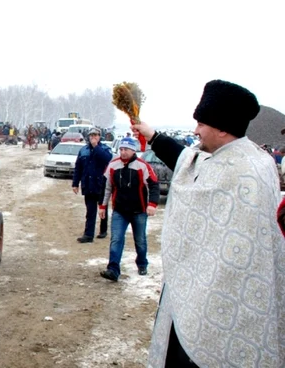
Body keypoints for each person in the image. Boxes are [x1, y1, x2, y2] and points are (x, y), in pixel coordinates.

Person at [132, 80, 284, 367]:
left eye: (201, 123)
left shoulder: (243, 171)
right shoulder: (248, 159)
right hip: (201, 289)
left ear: (222, 128)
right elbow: (186, 159)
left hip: (223, 298)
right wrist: (151, 135)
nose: (195, 131)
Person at [97, 137, 159, 281]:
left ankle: (142, 263)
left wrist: (152, 204)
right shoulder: (113, 165)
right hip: (120, 210)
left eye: (126, 150)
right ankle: (113, 269)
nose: (123, 152)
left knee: (140, 240)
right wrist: (102, 206)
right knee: (116, 239)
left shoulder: (142, 166)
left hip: (139, 211)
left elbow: (154, 184)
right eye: (121, 149)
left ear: (133, 150)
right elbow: (106, 187)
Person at [72, 127, 113, 243]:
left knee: (102, 208)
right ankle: (88, 235)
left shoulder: (105, 149)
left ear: (100, 137)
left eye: (95, 135)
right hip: (88, 184)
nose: (93, 137)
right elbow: (78, 168)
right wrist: (75, 183)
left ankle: (103, 230)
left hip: (101, 184)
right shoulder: (83, 150)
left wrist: (96, 147)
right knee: (90, 211)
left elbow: (107, 159)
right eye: (91, 135)